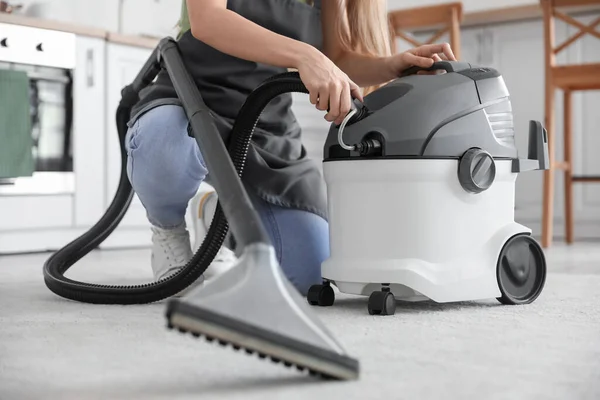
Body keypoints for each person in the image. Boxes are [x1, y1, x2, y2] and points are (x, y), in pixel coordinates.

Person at [125, 0, 457, 295]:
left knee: (314, 274)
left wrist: (391, 65)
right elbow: (208, 19)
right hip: (190, 100)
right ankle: (168, 230)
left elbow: (335, 57)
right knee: (163, 144)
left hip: (264, 120)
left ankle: (218, 221)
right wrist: (304, 55)